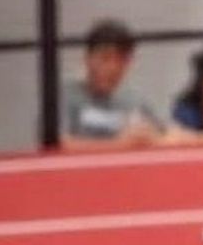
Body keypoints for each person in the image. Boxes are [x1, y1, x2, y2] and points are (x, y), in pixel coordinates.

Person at [60, 19, 165, 150]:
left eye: (121, 60)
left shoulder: (135, 100)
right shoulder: (65, 96)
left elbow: (166, 134)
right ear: (87, 59)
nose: (113, 68)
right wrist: (119, 145)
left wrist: (151, 137)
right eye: (105, 58)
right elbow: (60, 145)